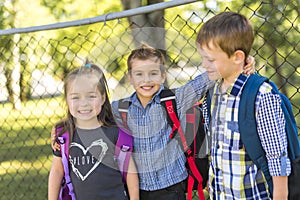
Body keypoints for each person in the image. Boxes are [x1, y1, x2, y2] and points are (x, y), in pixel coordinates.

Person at [109, 43, 255, 200]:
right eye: (139, 74)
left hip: (172, 186)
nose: (147, 80)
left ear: (163, 76)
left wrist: (237, 62)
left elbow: (204, 81)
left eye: (153, 73)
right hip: (138, 188)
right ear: (130, 77)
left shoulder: (174, 100)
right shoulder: (120, 108)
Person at [196, 11, 290, 200]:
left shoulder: (261, 96)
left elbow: (277, 158)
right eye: (203, 57)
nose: (204, 64)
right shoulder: (212, 91)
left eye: (211, 59)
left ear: (238, 57)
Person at [48, 63, 139, 200]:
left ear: (103, 98)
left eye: (91, 96)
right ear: (67, 100)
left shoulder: (115, 133)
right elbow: (56, 171)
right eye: (75, 97)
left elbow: (130, 171)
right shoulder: (64, 136)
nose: (84, 103)